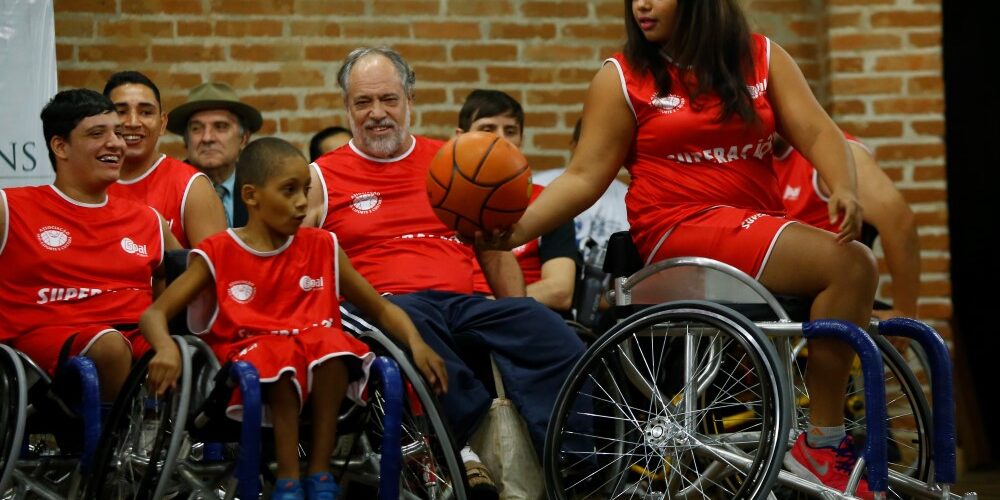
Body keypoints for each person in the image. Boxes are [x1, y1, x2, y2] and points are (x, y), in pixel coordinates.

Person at [480, 0, 879, 496]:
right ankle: (823, 443)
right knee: (852, 265)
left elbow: (819, 130)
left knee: (854, 264)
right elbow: (584, 175)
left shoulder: (761, 57)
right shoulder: (622, 76)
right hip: (676, 229)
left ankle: (814, 433)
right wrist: (518, 229)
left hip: (752, 225)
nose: (641, 4)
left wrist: (843, 185)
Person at [306, 47, 587, 494]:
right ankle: (464, 444)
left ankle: (582, 458)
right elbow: (295, 255)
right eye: (363, 103)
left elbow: (493, 252)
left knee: (540, 323)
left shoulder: (453, 164)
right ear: (347, 108)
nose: (377, 113)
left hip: (461, 303)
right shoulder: (320, 178)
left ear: (410, 101)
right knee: (409, 313)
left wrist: (512, 310)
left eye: (389, 99)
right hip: (383, 310)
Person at [141, 137, 447, 500]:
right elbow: (155, 314)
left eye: (305, 190)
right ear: (251, 196)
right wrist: (164, 348)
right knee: (279, 355)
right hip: (247, 374)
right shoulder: (219, 250)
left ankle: (319, 470)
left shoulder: (323, 245)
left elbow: (380, 307)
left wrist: (416, 343)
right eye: (289, 191)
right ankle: (288, 476)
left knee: (333, 344)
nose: (302, 202)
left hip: (320, 370)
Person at [0, 89, 178, 404]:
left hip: (135, 337)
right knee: (109, 346)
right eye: (98, 133)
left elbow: (186, 273)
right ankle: (112, 449)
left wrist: (162, 320)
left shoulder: (148, 219)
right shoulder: (11, 207)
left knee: (189, 350)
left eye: (119, 133)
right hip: (47, 347)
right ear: (60, 146)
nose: (116, 143)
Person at [457, 89, 579, 313]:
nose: (501, 139)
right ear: (460, 137)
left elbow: (560, 291)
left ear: (521, 141)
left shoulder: (549, 202)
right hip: (450, 317)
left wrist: (487, 306)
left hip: (517, 316)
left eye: (510, 131)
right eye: (487, 129)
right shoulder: (441, 204)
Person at [775, 133, 920, 321]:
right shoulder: (754, 156)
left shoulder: (831, 151)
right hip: (776, 294)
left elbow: (899, 221)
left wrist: (904, 313)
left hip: (821, 299)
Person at [103, 71, 227, 248]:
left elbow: (217, 269)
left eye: (146, 112)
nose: (132, 122)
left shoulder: (191, 187)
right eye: (121, 112)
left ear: (162, 123)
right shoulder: (87, 182)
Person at [532, 117, 629, 266]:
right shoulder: (539, 185)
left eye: (606, 146)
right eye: (589, 146)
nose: (597, 153)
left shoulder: (628, 198)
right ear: (573, 146)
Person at [168, 82, 263, 227]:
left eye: (220, 127)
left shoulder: (260, 189)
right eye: (196, 128)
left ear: (243, 138)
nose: (207, 138)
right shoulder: (168, 189)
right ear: (186, 140)